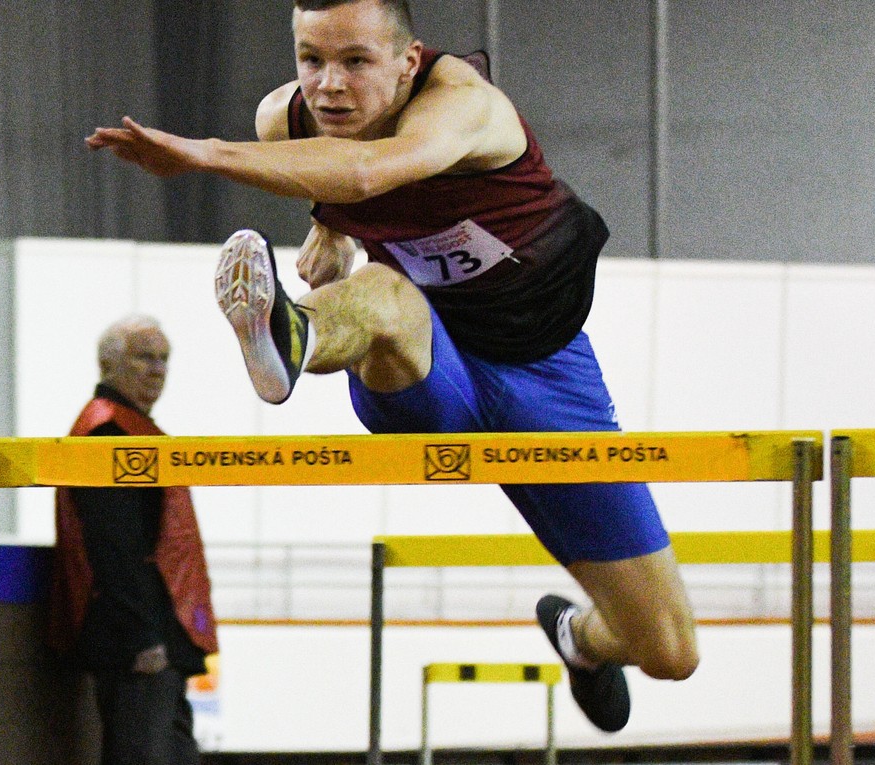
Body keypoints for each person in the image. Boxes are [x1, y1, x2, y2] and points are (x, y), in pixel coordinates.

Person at [85, 0, 695, 732]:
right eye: (311, 60)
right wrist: (326, 225)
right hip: (422, 364)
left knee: (668, 649)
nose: (329, 87)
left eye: (355, 62)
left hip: (546, 374)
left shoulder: (468, 108)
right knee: (388, 294)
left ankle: (580, 637)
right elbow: (340, 173)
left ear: (407, 63)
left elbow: (372, 170)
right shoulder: (286, 120)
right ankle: (291, 333)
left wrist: (200, 154)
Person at [48, 315, 218, 764]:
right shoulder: (107, 431)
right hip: (141, 643)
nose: (157, 369)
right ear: (108, 363)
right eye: (144, 357)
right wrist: (143, 638)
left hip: (157, 637)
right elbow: (112, 546)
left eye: (164, 359)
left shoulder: (126, 427)